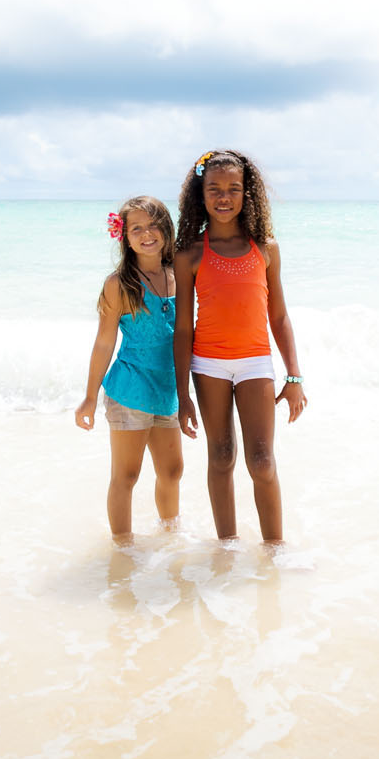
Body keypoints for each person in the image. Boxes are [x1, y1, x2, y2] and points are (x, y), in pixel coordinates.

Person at [173, 150, 307, 545]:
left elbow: (278, 317)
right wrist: (183, 394)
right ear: (201, 194)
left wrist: (294, 376)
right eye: (214, 189)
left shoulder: (265, 248)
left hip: (255, 364)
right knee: (221, 457)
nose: (224, 197)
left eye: (233, 188)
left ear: (247, 194)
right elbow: (183, 328)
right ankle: (227, 550)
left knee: (262, 462)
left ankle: (274, 550)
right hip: (208, 365)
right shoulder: (189, 254)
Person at [75, 196, 197, 541]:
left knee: (173, 470)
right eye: (137, 228)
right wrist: (88, 397)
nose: (147, 233)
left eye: (154, 224)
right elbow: (103, 343)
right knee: (127, 475)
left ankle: (170, 536)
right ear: (125, 237)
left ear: (167, 229)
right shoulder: (120, 283)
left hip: (167, 390)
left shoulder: (180, 275)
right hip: (130, 390)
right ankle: (123, 547)